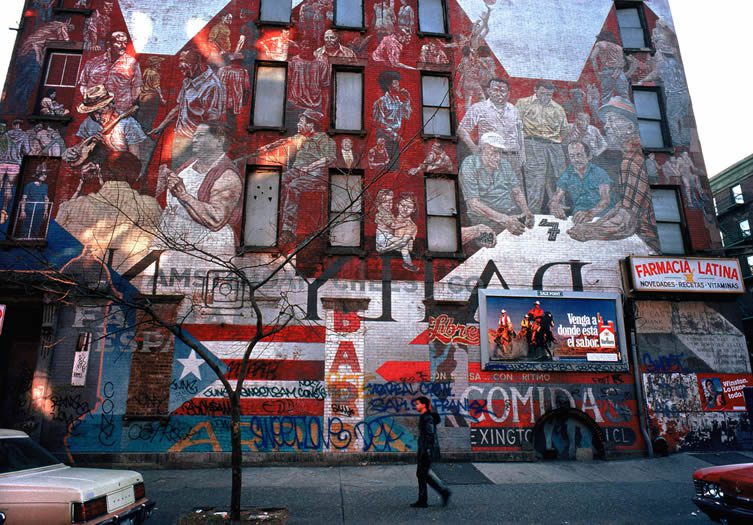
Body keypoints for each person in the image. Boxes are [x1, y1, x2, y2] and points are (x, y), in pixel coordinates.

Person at [567, 97, 659, 251]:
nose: (606, 126)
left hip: (648, 244)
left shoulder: (631, 162)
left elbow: (627, 222)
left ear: (630, 127)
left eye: (612, 120)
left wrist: (590, 231)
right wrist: (595, 223)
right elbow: (624, 205)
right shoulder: (635, 156)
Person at [156, 121, 242, 253]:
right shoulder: (189, 164)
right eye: (194, 136)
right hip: (174, 241)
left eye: (200, 136)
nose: (194, 140)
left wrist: (184, 196)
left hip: (205, 248)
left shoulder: (228, 176)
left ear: (219, 141)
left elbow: (216, 220)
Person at [149, 48, 224, 169]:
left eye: (184, 61)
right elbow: (179, 107)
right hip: (180, 140)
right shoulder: (187, 81)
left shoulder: (212, 85)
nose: (179, 66)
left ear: (196, 62)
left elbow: (213, 120)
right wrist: (161, 126)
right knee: (176, 176)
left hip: (196, 145)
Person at [459, 132, 533, 235]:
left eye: (500, 152)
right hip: (484, 220)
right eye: (493, 152)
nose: (497, 157)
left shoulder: (504, 164)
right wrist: (504, 219)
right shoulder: (469, 165)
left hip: (509, 214)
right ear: (483, 149)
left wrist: (526, 212)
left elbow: (517, 191)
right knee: (498, 244)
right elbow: (474, 204)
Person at [516, 80, 568, 214]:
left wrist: (554, 142)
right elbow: (516, 126)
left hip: (553, 146)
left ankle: (558, 214)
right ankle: (534, 215)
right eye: (543, 93)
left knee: (558, 179)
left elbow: (564, 130)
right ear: (536, 90)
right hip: (532, 143)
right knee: (535, 181)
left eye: (549, 95)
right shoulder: (523, 103)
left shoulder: (558, 108)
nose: (545, 97)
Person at [458, 78, 524, 177]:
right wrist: (474, 149)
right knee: (493, 189)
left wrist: (522, 155)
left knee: (515, 189)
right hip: (491, 157)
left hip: (513, 157)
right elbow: (462, 129)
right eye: (495, 90)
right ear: (488, 91)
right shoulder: (478, 108)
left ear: (508, 94)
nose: (499, 93)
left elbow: (519, 133)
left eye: (502, 91)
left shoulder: (513, 110)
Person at [78, 31, 142, 113]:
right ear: (109, 44)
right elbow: (83, 84)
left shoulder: (133, 63)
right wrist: (90, 100)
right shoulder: (92, 63)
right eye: (119, 43)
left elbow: (137, 88)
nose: (123, 46)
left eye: (125, 43)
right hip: (95, 111)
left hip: (120, 112)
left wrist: (126, 105)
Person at [548, 141, 612, 222]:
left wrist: (590, 213)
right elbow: (555, 198)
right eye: (572, 156)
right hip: (578, 216)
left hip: (600, 215)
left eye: (579, 155)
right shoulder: (568, 174)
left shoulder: (599, 173)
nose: (576, 160)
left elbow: (605, 200)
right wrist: (555, 206)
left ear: (589, 156)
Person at [411, 396, 450, 508]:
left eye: (418, 403)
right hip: (425, 449)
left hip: (426, 450)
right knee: (422, 474)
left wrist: (426, 450)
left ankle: (441, 493)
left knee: (422, 474)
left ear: (423, 405)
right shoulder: (425, 416)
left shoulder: (427, 417)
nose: (416, 405)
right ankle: (424, 499)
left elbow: (430, 434)